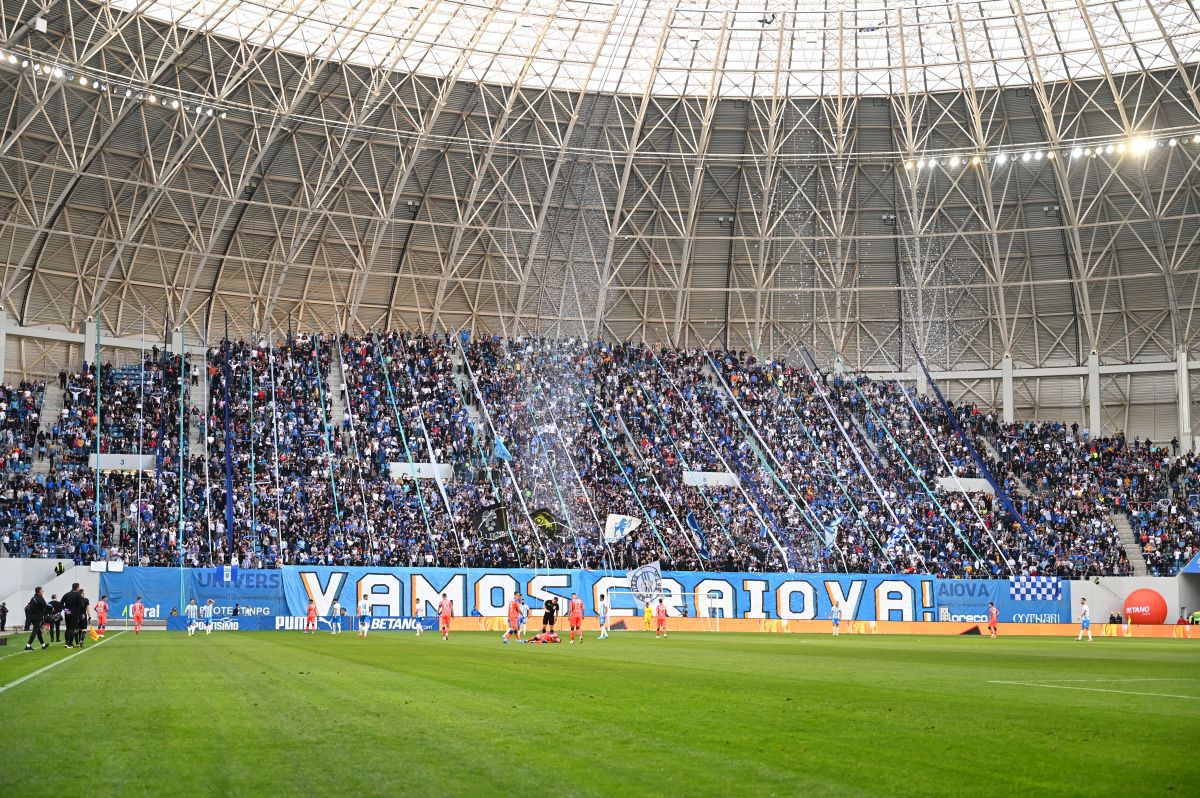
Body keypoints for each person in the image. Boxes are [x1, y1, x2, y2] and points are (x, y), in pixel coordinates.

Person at [24, 587, 50, 651]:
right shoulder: (40, 598)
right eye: (42, 591)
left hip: (32, 617)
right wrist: (51, 608)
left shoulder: (32, 598)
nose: (43, 592)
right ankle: (28, 645)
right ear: (39, 592)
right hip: (38, 617)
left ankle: (43, 645)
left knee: (38, 632)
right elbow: (45, 606)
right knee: (35, 631)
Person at [60, 582, 81, 649]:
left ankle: (66, 643)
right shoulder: (78, 595)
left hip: (67, 613)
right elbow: (80, 605)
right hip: (75, 613)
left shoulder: (66, 594)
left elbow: (61, 603)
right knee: (72, 629)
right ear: (77, 587)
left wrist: (65, 609)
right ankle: (70, 644)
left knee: (68, 628)